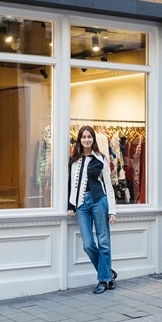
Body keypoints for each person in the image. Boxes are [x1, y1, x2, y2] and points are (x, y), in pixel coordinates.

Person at [67, 125, 118, 294]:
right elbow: (71, 185)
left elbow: (108, 186)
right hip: (81, 205)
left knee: (104, 242)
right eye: (84, 137)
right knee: (88, 245)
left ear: (93, 139)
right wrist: (71, 206)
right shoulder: (74, 160)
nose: (86, 139)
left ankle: (103, 280)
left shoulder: (100, 159)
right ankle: (108, 273)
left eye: (89, 137)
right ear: (79, 139)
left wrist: (112, 210)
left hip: (99, 202)